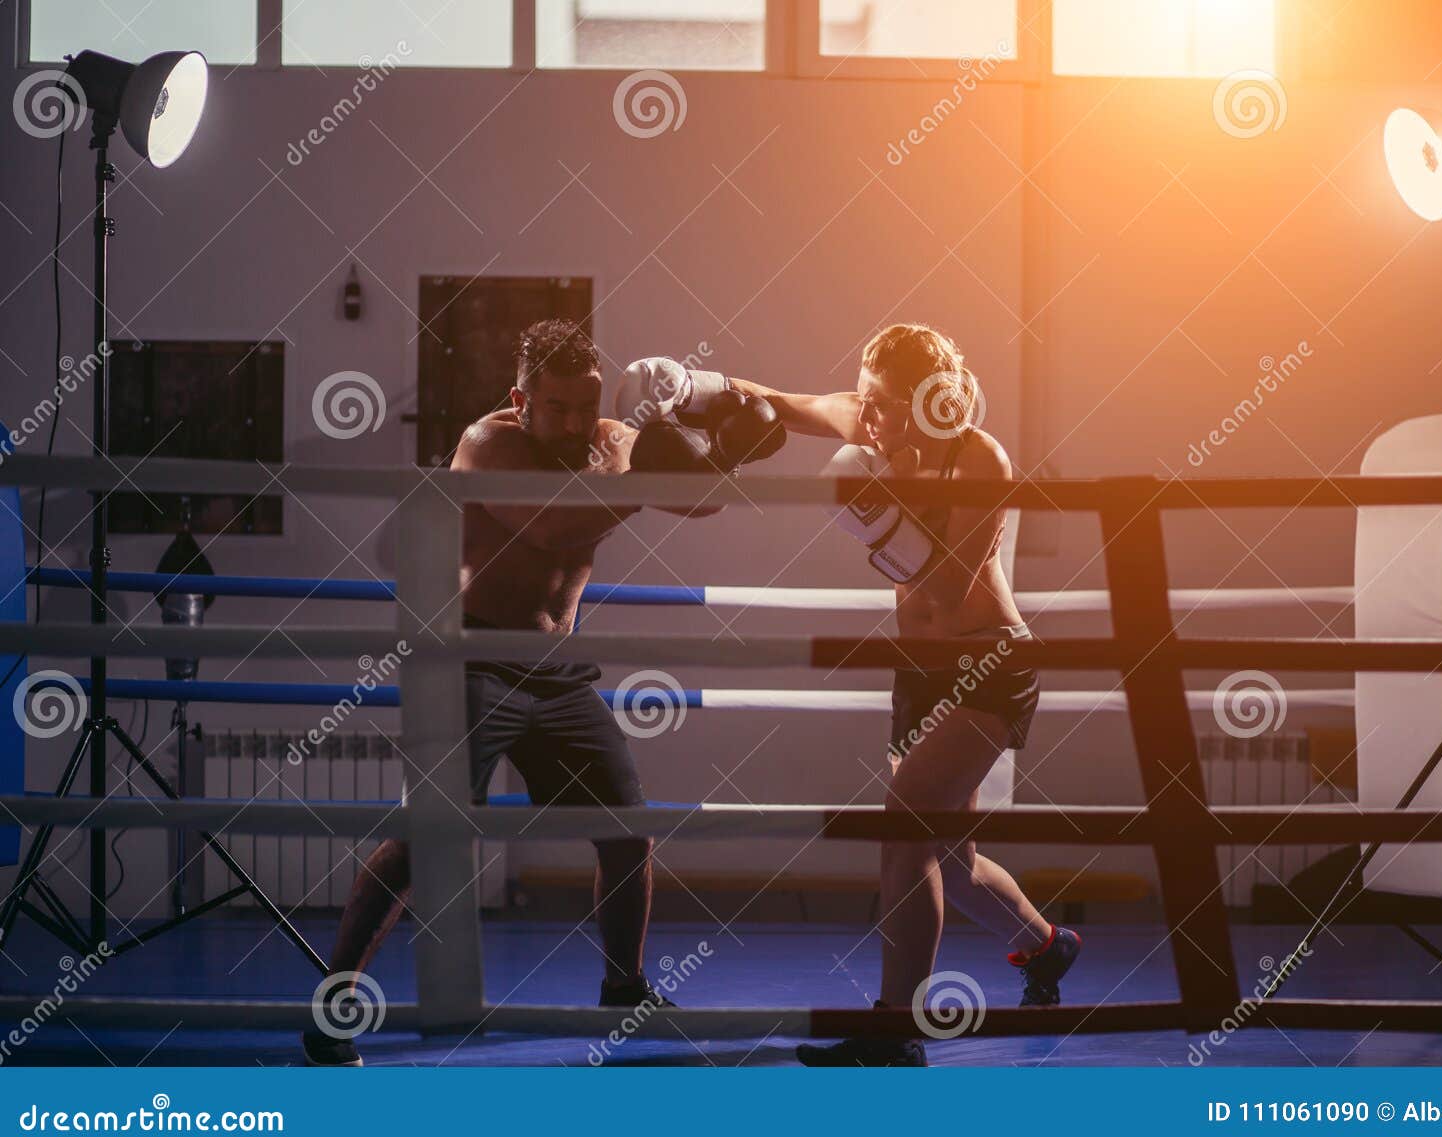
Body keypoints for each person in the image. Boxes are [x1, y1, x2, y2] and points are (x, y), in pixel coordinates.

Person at [302, 320, 782, 1066]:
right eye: (553, 406)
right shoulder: (485, 443)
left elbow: (704, 503)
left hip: (557, 670)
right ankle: (335, 1007)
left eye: (583, 407)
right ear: (520, 398)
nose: (571, 423)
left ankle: (623, 988)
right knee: (425, 835)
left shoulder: (609, 438)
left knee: (628, 830)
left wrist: (722, 449)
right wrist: (652, 476)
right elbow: (555, 527)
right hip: (474, 657)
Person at [663, 323, 1081, 1066]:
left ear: (934, 402)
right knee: (948, 859)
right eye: (866, 397)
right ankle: (1045, 946)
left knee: (903, 827)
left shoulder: (979, 456)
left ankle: (897, 1029)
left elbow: (951, 587)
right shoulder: (865, 423)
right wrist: (695, 388)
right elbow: (781, 404)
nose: (869, 414)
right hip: (919, 670)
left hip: (988, 662)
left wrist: (887, 511)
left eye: (885, 402)